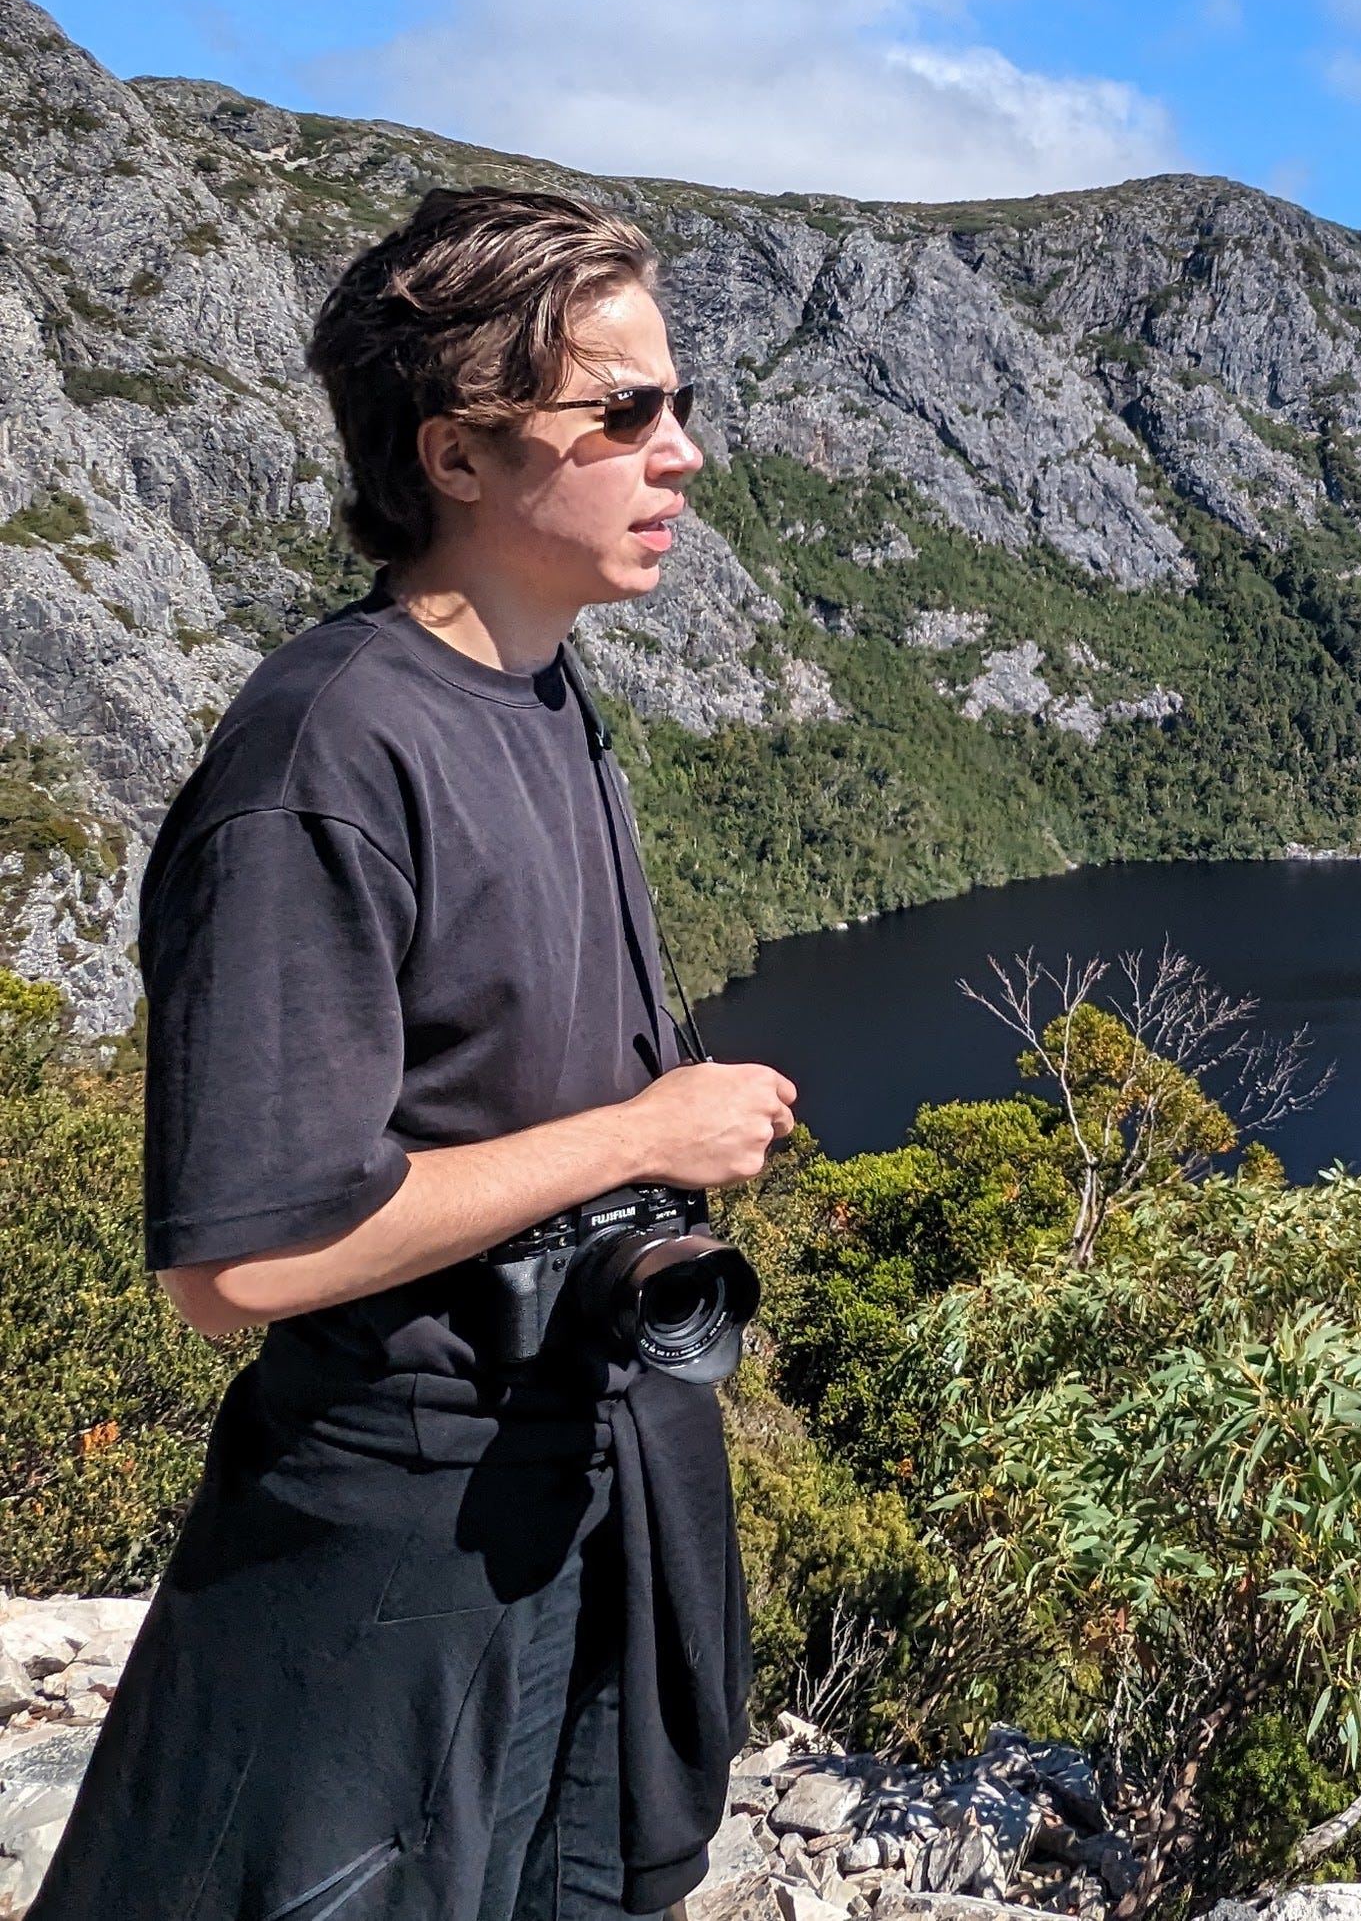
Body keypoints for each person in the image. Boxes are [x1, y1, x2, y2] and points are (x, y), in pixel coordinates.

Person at [34, 187, 799, 1921]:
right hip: (405, 1536)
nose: (680, 455)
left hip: (588, 1497)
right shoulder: (325, 755)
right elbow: (242, 1262)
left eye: (679, 404)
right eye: (623, 412)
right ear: (457, 456)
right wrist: (634, 1136)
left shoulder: (545, 692)